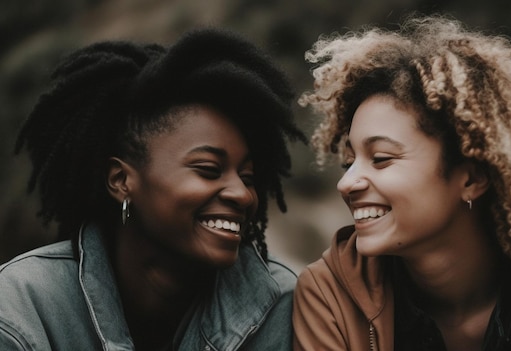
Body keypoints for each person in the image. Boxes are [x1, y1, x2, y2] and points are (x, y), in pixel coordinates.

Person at [293, 14, 511, 351]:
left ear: (472, 178)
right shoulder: (329, 297)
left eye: (380, 158)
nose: (346, 183)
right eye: (349, 162)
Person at [0, 27, 306, 351]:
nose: (243, 195)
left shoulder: (282, 308)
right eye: (208, 170)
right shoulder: (23, 310)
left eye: (247, 178)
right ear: (121, 180)